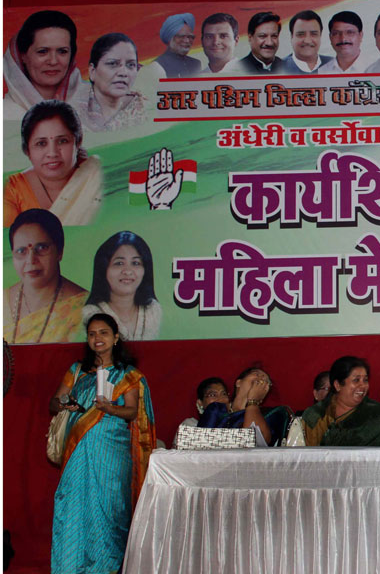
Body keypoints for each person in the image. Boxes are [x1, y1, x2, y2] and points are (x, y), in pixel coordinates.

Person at [49, 313, 155, 573]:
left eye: (104, 333)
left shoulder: (128, 375)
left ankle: (106, 568)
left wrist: (109, 408)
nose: (98, 338)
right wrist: (65, 403)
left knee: (109, 510)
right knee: (72, 505)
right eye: (92, 334)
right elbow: (53, 403)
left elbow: (131, 411)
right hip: (78, 450)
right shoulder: (77, 371)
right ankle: (69, 567)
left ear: (116, 337)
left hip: (112, 451)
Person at [4, 100, 102, 227]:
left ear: (78, 142)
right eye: (41, 143)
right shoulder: (13, 191)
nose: (52, 153)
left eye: (62, 141)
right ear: (27, 150)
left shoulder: (95, 176)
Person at [4, 209, 87, 344]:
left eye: (41, 248)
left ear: (59, 250)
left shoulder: (85, 308)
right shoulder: (3, 302)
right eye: (21, 251)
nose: (31, 260)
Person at [3, 10, 85, 119]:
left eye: (62, 51)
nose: (53, 61)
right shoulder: (5, 112)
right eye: (42, 51)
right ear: (23, 56)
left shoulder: (94, 109)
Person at [81, 231, 161, 340]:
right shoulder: (89, 315)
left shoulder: (152, 309)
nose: (128, 271)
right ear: (104, 269)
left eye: (136, 263)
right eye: (119, 263)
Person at [302, 356, 380, 446]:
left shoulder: (379, 415)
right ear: (337, 385)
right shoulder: (315, 415)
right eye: (356, 380)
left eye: (365, 380)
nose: (363, 386)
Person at [198, 366, 291, 446]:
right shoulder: (215, 409)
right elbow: (200, 443)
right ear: (238, 382)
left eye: (267, 382)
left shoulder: (272, 413)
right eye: (256, 374)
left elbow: (254, 442)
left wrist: (253, 402)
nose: (262, 379)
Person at [73, 33, 147, 132]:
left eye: (130, 65)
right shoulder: (72, 110)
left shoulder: (144, 108)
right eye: (112, 64)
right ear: (92, 71)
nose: (123, 73)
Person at [174, 377, 229, 445]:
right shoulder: (189, 426)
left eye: (224, 394)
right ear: (200, 403)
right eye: (212, 395)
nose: (221, 399)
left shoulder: (234, 424)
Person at [147, 13, 201, 78]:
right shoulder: (157, 66)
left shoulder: (195, 64)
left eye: (190, 37)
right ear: (170, 38)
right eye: (181, 36)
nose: (187, 41)